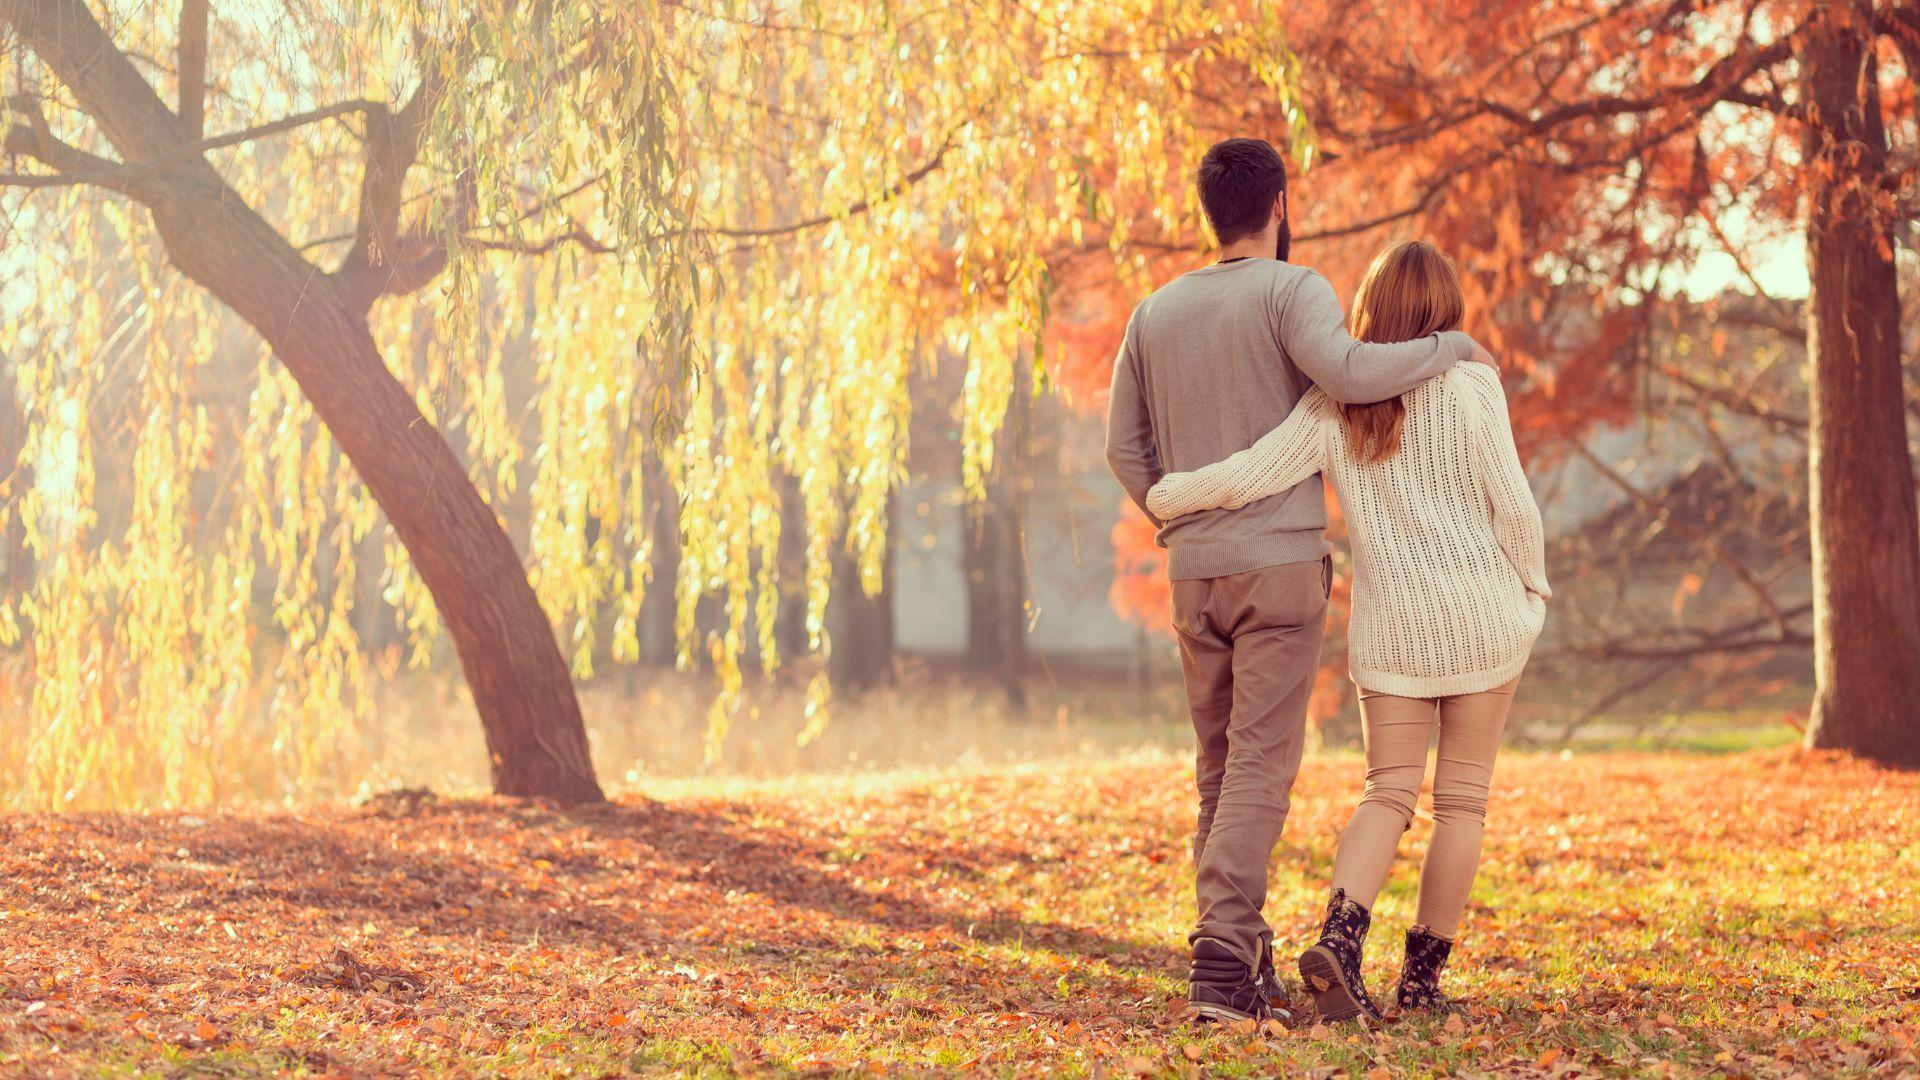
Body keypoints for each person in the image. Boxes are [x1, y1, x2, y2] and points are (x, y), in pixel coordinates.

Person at [1103, 137, 1491, 1024]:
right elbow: (1352, 375)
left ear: (1212, 212)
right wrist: (1450, 346)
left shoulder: (1152, 314)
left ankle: (1239, 951)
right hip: (1275, 568)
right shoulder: (1293, 290)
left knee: (1218, 769)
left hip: (1194, 572)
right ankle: (1221, 969)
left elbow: (1124, 449)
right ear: (1279, 204)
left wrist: (1178, 516)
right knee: (1259, 771)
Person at [1145, 239, 1550, 1021]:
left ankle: (1340, 936)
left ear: (1369, 313)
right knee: (1462, 805)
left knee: (1388, 793)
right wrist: (1533, 591)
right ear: (1444, 313)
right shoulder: (1471, 384)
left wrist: (1171, 494)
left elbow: (1249, 473)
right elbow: (1516, 508)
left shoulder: (1337, 401)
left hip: (1394, 631)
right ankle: (1423, 986)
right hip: (1484, 621)